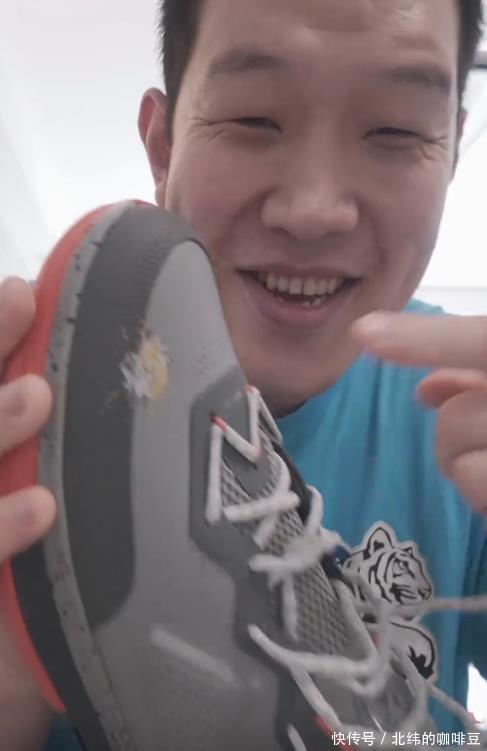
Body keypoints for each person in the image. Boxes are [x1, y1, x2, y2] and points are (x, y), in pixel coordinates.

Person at [0, 0, 486, 748]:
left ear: (450, 155)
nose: (314, 211)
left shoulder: (468, 410)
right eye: (255, 119)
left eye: (395, 131)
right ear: (162, 147)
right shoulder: (29, 403)